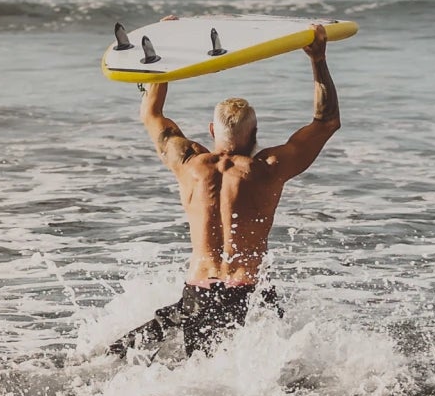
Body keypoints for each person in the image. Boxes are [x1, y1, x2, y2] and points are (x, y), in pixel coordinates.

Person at [111, 23, 340, 357]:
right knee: (270, 372)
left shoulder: (188, 163)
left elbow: (151, 112)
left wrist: (162, 49)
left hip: (196, 292)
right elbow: (326, 122)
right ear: (256, 132)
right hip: (246, 295)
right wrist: (318, 58)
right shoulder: (266, 169)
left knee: (127, 354)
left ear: (210, 130)